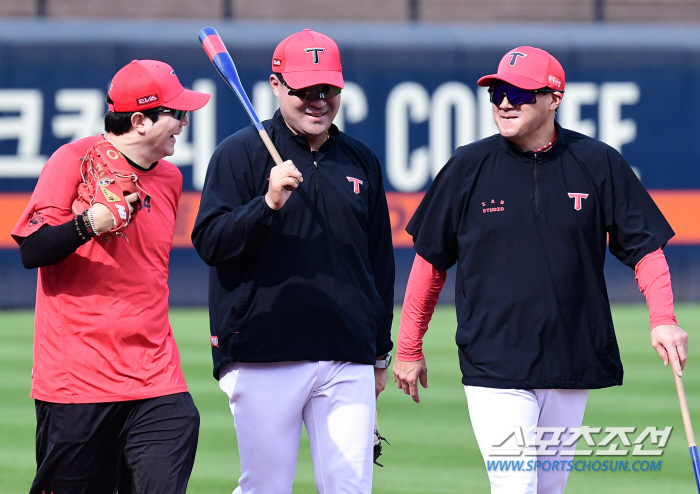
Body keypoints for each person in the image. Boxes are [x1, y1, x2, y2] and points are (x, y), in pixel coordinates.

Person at [392, 46, 688, 494]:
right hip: (495, 363)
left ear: (554, 98)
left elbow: (645, 249)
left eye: (519, 92)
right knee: (515, 487)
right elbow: (430, 263)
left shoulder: (597, 162)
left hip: (570, 360)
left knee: (548, 490)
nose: (505, 102)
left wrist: (664, 319)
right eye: (496, 93)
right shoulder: (467, 167)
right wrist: (410, 347)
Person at [191, 28, 394, 494]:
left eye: (328, 89)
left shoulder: (360, 160)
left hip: (347, 353)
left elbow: (379, 263)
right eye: (304, 90)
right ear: (277, 86)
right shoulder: (239, 154)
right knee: (266, 488)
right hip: (265, 351)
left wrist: (378, 349)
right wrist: (266, 204)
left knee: (350, 488)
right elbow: (210, 242)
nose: (317, 100)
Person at [12, 59, 210, 494]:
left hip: (155, 377)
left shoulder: (171, 178)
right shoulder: (72, 160)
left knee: (180, 424)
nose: (184, 122)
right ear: (139, 121)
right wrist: (88, 224)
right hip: (78, 383)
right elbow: (32, 250)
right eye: (175, 113)